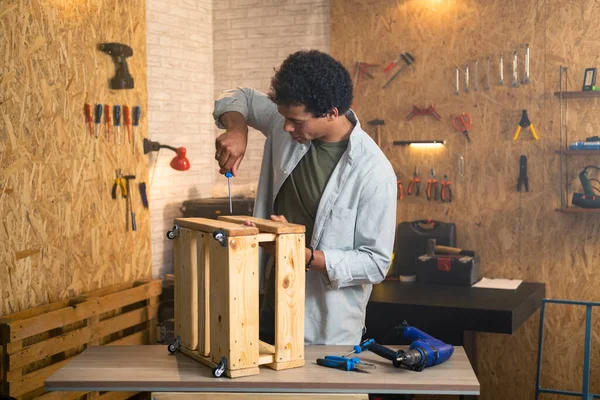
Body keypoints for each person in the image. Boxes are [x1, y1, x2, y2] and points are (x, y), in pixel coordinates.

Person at [212, 49, 397, 345]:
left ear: (331, 113)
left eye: (296, 121)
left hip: (322, 328)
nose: (285, 127)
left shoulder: (374, 173)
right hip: (263, 312)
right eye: (284, 118)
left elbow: (375, 264)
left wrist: (306, 256)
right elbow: (240, 97)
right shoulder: (288, 124)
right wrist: (237, 127)